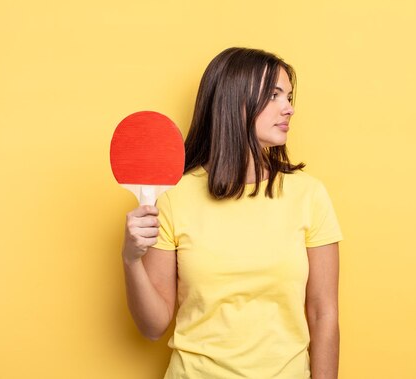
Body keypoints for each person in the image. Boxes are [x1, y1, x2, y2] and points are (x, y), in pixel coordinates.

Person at [121, 47, 343, 379]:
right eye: (274, 95)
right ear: (232, 100)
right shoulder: (173, 198)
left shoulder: (308, 194)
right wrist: (131, 258)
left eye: (289, 96)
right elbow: (153, 326)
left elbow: (323, 313)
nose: (290, 108)